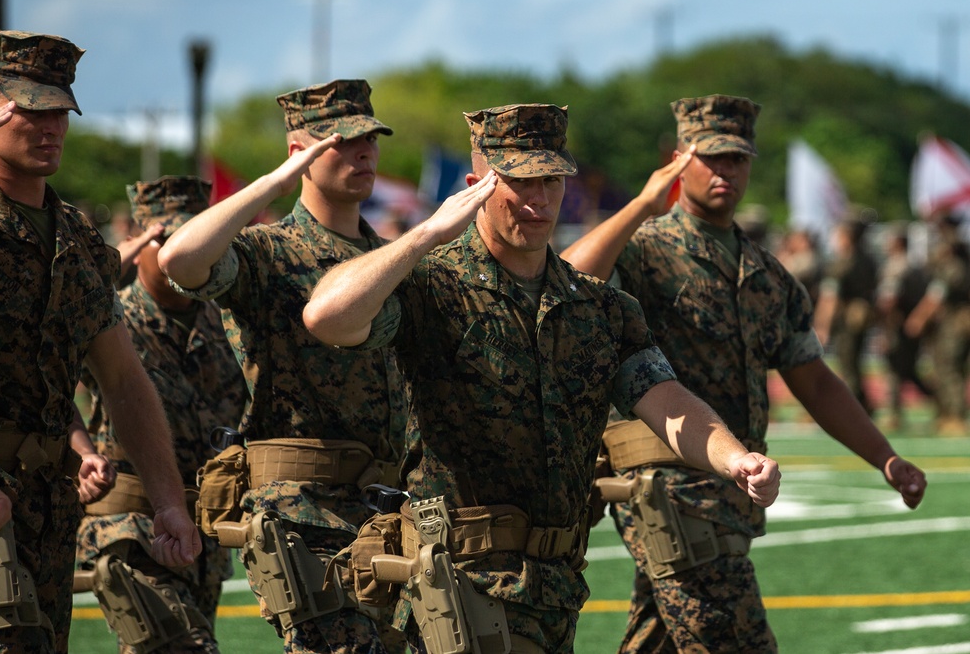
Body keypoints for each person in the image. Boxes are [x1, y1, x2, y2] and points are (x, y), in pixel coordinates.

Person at [302, 102, 782, 652]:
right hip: (463, 583)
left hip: (554, 585)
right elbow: (325, 316)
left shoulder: (598, 306)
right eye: (519, 181)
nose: (537, 201)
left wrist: (731, 457)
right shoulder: (430, 288)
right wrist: (424, 235)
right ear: (476, 185)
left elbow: (664, 399)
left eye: (551, 180)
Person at [559, 94, 928, 653]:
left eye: (738, 158)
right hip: (667, 488)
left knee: (659, 639)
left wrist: (885, 456)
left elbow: (814, 380)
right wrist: (641, 204)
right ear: (681, 161)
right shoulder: (643, 250)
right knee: (733, 639)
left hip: (733, 491)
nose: (726, 170)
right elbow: (564, 283)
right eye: (711, 157)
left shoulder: (768, 275)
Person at [0, 28, 200, 654]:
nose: (51, 127)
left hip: (46, 508)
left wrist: (168, 503)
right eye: (30, 110)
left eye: (60, 113)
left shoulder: (74, 238)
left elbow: (123, 379)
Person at [158, 79, 407, 653]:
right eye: (341, 142)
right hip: (304, 514)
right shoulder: (268, 251)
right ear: (302, 154)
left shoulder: (388, 260)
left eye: (371, 139)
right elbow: (181, 260)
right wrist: (274, 179)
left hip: (387, 512)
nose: (364, 152)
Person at [76, 176, 248, 653]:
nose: (178, 252)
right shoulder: (111, 317)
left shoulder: (227, 322)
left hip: (203, 533)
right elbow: (41, 384)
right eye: (164, 238)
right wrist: (82, 454)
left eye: (192, 237)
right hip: (130, 527)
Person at [904, 215, 970, 436]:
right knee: (946, 367)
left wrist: (919, 318)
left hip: (955, 320)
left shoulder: (954, 263)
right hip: (952, 319)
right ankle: (946, 414)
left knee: (949, 368)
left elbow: (937, 295)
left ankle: (955, 416)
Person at [813, 217, 880, 413]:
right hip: (862, 316)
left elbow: (830, 297)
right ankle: (863, 404)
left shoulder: (841, 263)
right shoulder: (868, 260)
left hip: (847, 319)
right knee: (855, 363)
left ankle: (854, 409)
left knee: (848, 363)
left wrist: (822, 325)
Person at [875, 227, 933, 431]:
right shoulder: (915, 266)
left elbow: (890, 300)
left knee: (894, 369)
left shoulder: (897, 267)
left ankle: (893, 414)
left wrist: (884, 328)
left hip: (898, 325)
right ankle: (940, 399)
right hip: (912, 325)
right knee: (908, 370)